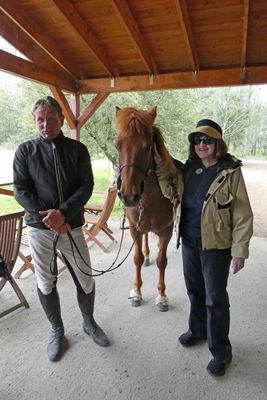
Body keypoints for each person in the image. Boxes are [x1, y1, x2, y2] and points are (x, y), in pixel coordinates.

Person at [13, 96, 109, 362]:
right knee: (45, 281)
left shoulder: (78, 150)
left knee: (85, 277)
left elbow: (86, 186)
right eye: (40, 120)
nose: (45, 124)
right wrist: (50, 217)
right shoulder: (25, 151)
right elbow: (21, 190)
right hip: (39, 229)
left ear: (62, 120)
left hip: (71, 226)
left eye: (50, 119)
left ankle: (88, 323)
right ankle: (57, 331)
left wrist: (63, 214)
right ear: (35, 122)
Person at [155, 118, 253, 376]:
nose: (201, 144)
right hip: (188, 240)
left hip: (216, 246)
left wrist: (240, 251)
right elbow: (171, 191)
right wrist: (158, 165)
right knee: (194, 291)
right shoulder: (189, 169)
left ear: (218, 143)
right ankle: (197, 330)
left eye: (207, 140)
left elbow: (242, 214)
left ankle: (221, 351)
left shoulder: (230, 171)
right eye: (197, 140)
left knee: (215, 299)